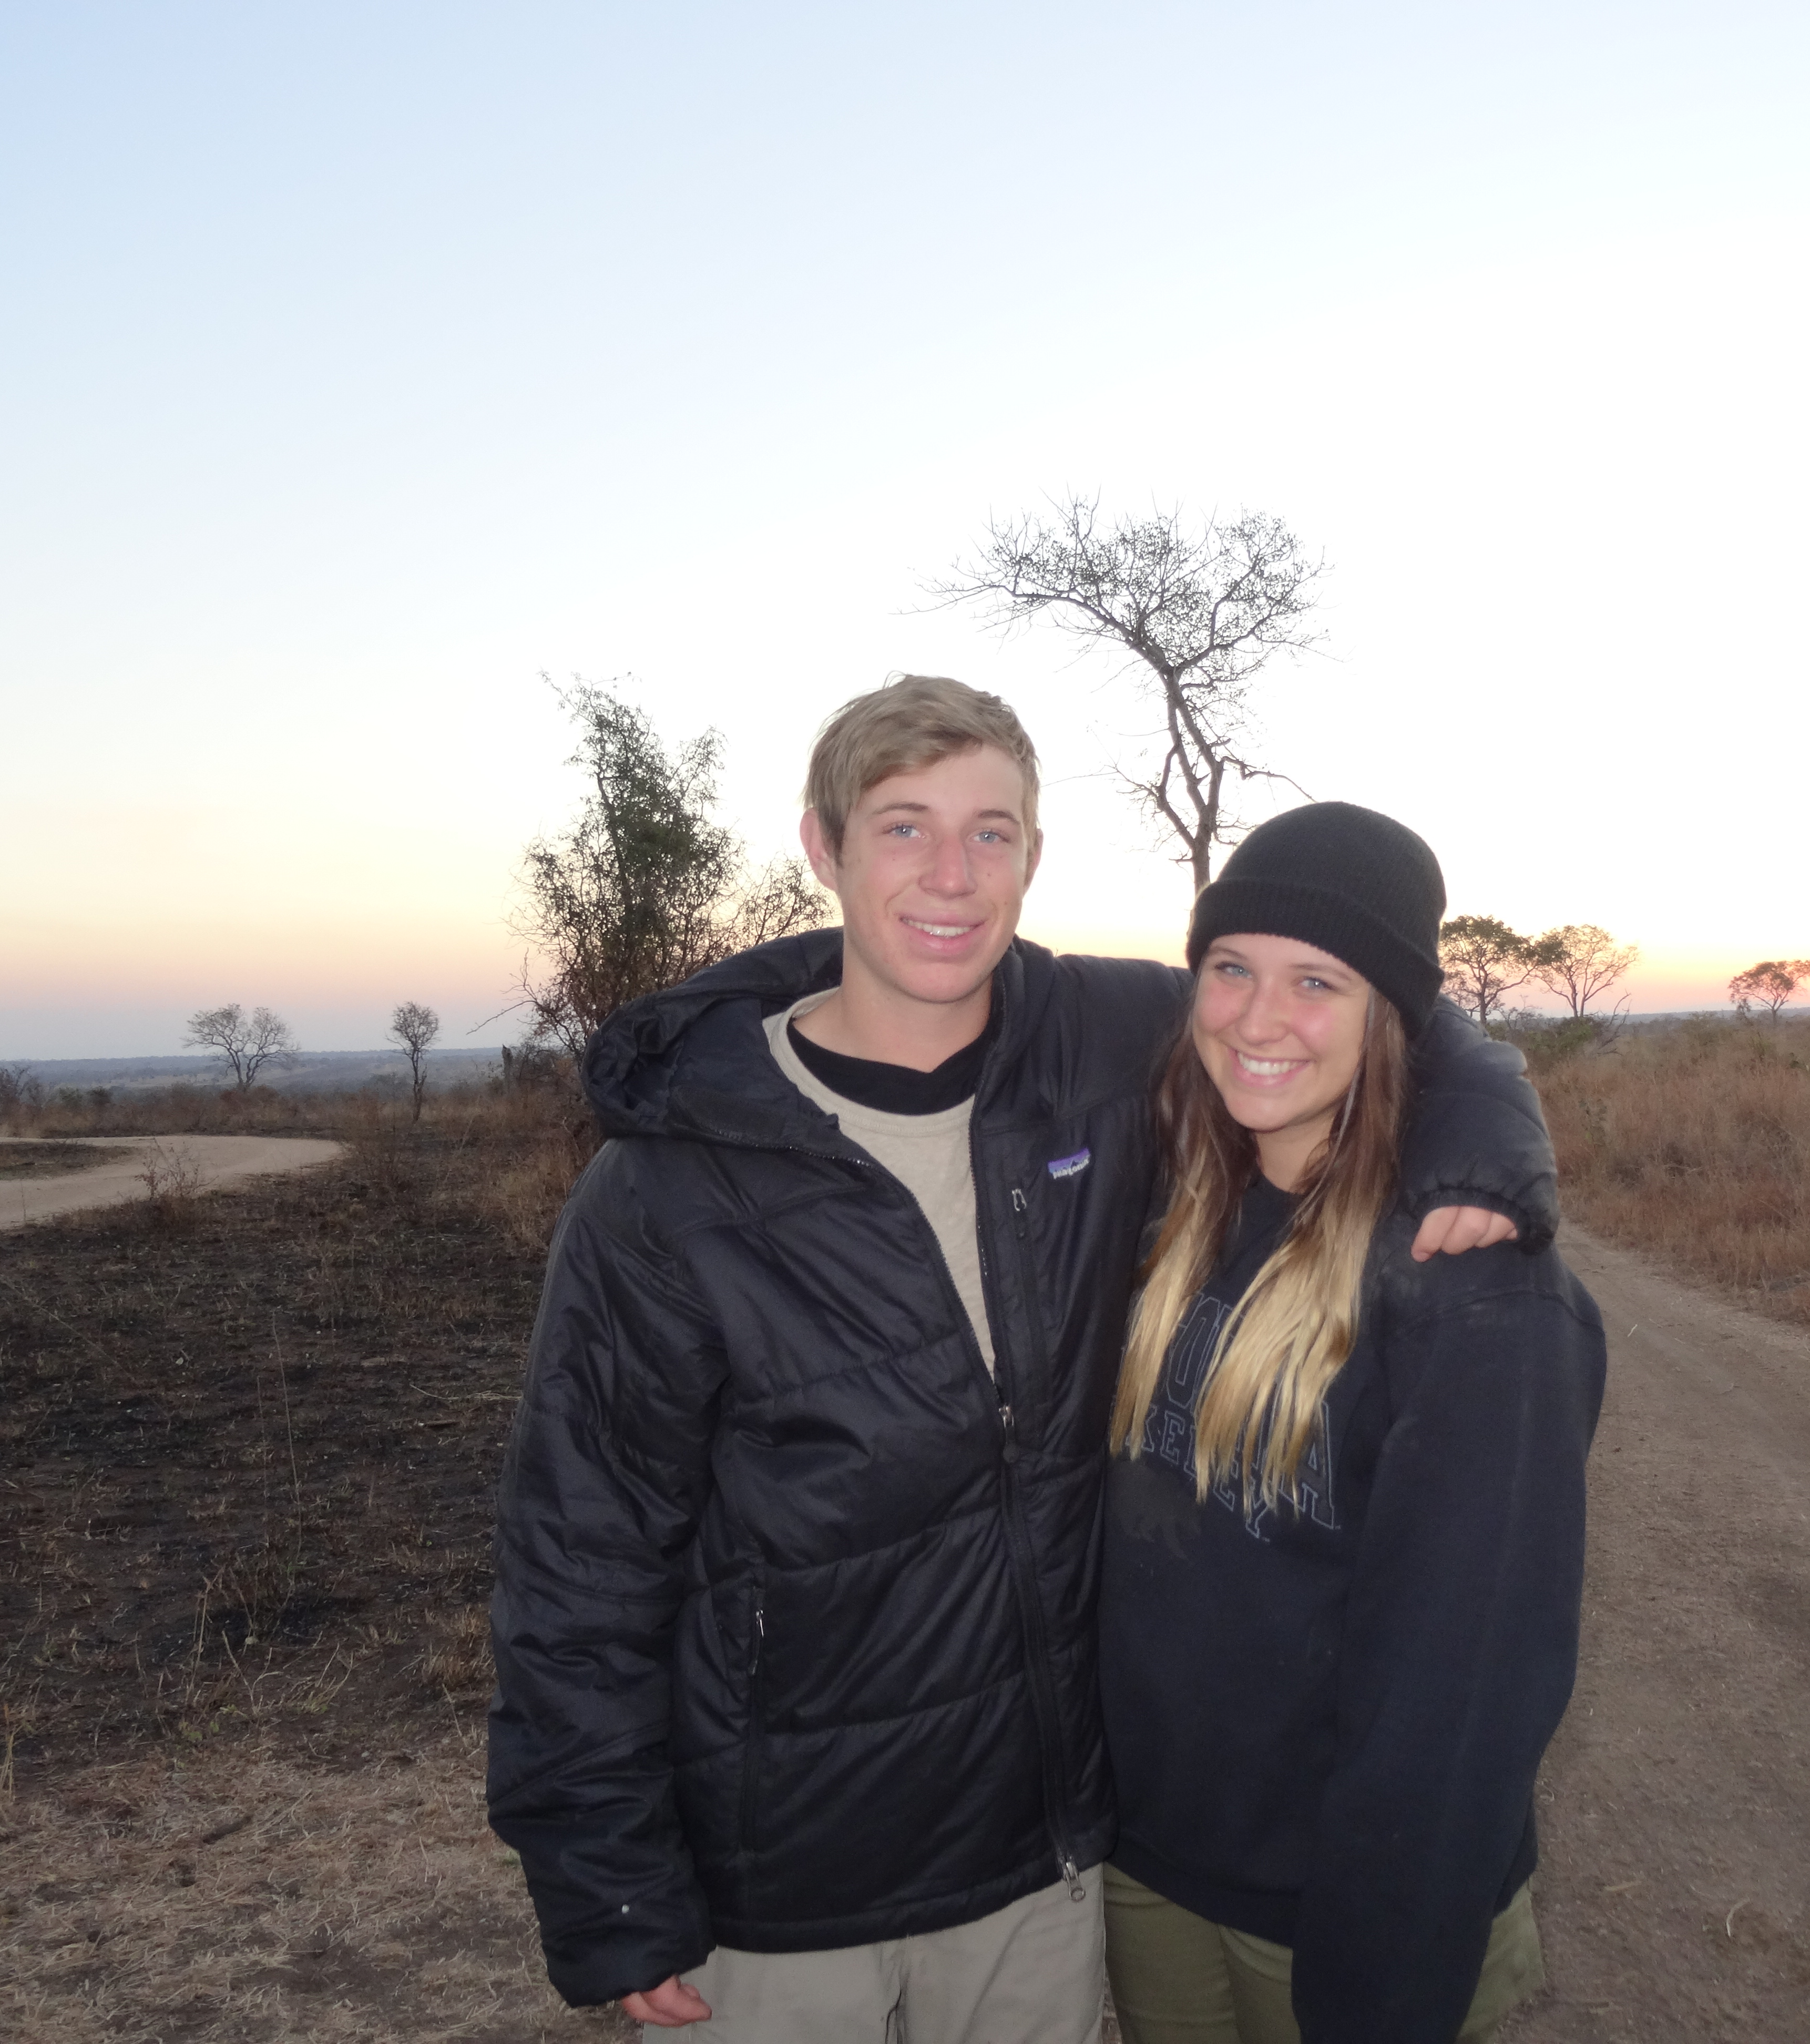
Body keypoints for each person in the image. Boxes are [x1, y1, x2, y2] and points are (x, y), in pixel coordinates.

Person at [487, 677, 1559, 2041]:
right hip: (777, 1891)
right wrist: (608, 1881)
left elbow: (1378, 1003)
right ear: (822, 848)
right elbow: (580, 1556)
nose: (952, 874)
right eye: (904, 828)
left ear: (1035, 858)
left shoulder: (1102, 1051)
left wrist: (1483, 1154)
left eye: (993, 832)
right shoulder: (670, 1186)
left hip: (1034, 1877)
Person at [1096, 802, 1607, 2044]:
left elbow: (1466, 1685)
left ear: (1394, 1014)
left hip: (1344, 1909)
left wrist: (1381, 1985)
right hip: (1151, 1872)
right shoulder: (1166, 1205)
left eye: (1316, 981)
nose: (1258, 1020)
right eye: (1231, 969)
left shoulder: (1477, 1291)